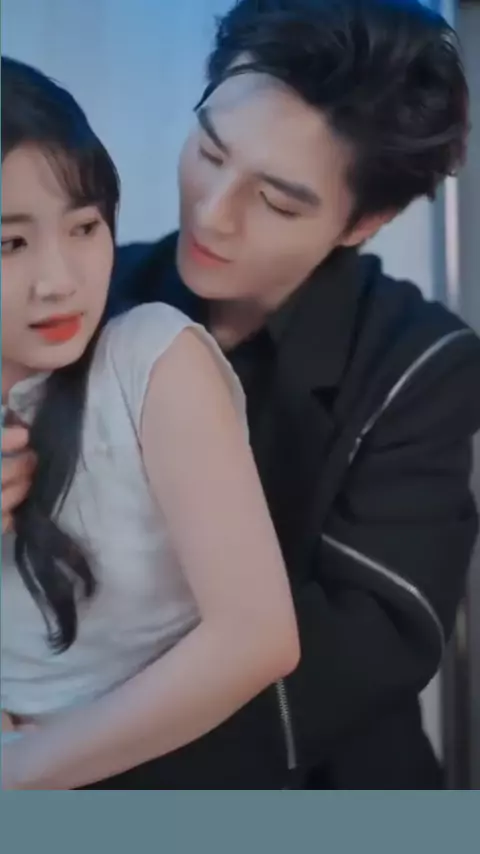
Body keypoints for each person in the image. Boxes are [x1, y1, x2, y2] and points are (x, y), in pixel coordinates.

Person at [3, 0, 480, 790]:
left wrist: (57, 758)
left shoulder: (420, 363)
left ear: (366, 220)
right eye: (210, 150)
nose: (213, 213)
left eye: (277, 201)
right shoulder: (85, 300)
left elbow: (370, 637)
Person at [0, 56, 300, 790]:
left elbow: (258, 637)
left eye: (84, 227)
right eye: (10, 243)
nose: (59, 280)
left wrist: (17, 775)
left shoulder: (151, 359)